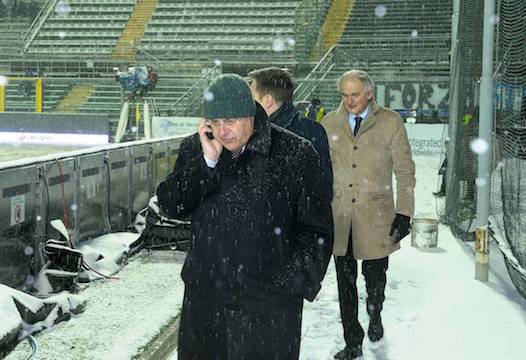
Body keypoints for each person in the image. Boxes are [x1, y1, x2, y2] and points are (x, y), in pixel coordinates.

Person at [156, 74, 334, 359]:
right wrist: (207, 163)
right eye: (214, 123)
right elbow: (171, 204)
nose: (222, 131)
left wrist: (291, 282)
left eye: (231, 122)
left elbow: (317, 230)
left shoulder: (295, 153)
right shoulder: (198, 147)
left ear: (251, 115)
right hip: (206, 302)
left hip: (268, 307)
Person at [322, 70, 415, 360]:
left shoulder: (390, 122)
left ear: (369, 93)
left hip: (376, 217)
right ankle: (353, 340)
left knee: (375, 280)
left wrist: (404, 212)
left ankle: (375, 314)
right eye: (345, 95)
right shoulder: (328, 124)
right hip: (340, 218)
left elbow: (404, 170)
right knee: (345, 283)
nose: (349, 101)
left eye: (355, 94)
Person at [247, 66, 333, 199]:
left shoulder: (310, 132)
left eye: (251, 98)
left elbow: (322, 190)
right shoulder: (252, 130)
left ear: (267, 101)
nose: (247, 104)